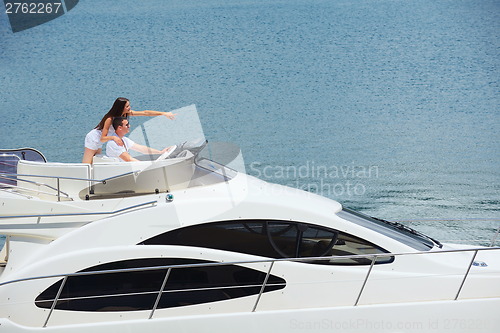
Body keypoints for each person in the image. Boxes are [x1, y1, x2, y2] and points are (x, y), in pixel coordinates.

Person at [82, 97, 176, 163]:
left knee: (95, 162)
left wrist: (164, 113)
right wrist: (114, 138)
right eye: (127, 106)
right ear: (121, 108)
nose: (129, 108)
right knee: (87, 164)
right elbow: (102, 138)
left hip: (103, 140)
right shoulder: (110, 119)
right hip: (94, 139)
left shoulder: (125, 114)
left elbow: (145, 113)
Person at [106, 117, 174, 162]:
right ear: (120, 128)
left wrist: (160, 152)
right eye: (127, 125)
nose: (129, 126)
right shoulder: (113, 143)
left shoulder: (124, 139)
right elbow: (128, 159)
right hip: (121, 172)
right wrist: (146, 165)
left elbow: (141, 149)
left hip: (126, 168)